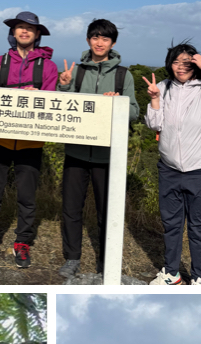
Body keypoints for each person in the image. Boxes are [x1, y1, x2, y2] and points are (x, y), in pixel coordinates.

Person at [57, 19, 140, 280]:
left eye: (105, 38)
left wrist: (119, 105)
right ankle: (72, 258)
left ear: (113, 43)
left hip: (108, 155)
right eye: (95, 37)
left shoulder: (122, 75)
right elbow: (62, 105)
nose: (99, 42)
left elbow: (135, 111)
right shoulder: (78, 71)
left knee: (108, 210)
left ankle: (107, 261)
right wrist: (63, 84)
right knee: (71, 208)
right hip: (75, 151)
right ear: (87, 40)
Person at [143, 42, 201, 286]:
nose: (180, 67)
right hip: (170, 169)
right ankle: (172, 273)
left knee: (199, 227)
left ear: (195, 64)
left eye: (186, 62)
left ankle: (199, 278)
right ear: (169, 64)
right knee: (171, 225)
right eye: (175, 62)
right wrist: (154, 99)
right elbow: (154, 125)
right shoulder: (162, 87)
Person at [0, 11, 58, 267]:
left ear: (38, 34)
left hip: (30, 141)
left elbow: (53, 102)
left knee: (27, 196)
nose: (24, 31)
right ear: (13, 33)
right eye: (19, 27)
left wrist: (40, 95)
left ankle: (22, 242)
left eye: (29, 28)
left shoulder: (48, 66)